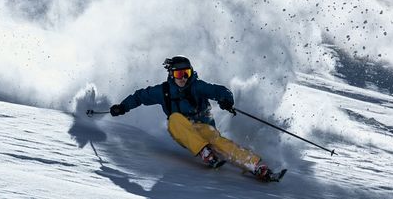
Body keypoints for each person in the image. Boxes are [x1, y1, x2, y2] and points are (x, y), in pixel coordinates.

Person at [110, 56, 277, 181]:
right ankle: (204, 152)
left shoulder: (197, 86)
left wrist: (226, 100)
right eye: (179, 73)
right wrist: (123, 107)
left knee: (218, 141)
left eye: (186, 73)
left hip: (204, 128)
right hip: (183, 131)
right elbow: (140, 96)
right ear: (171, 74)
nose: (183, 78)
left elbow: (220, 90)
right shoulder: (163, 91)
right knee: (174, 118)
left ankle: (255, 166)